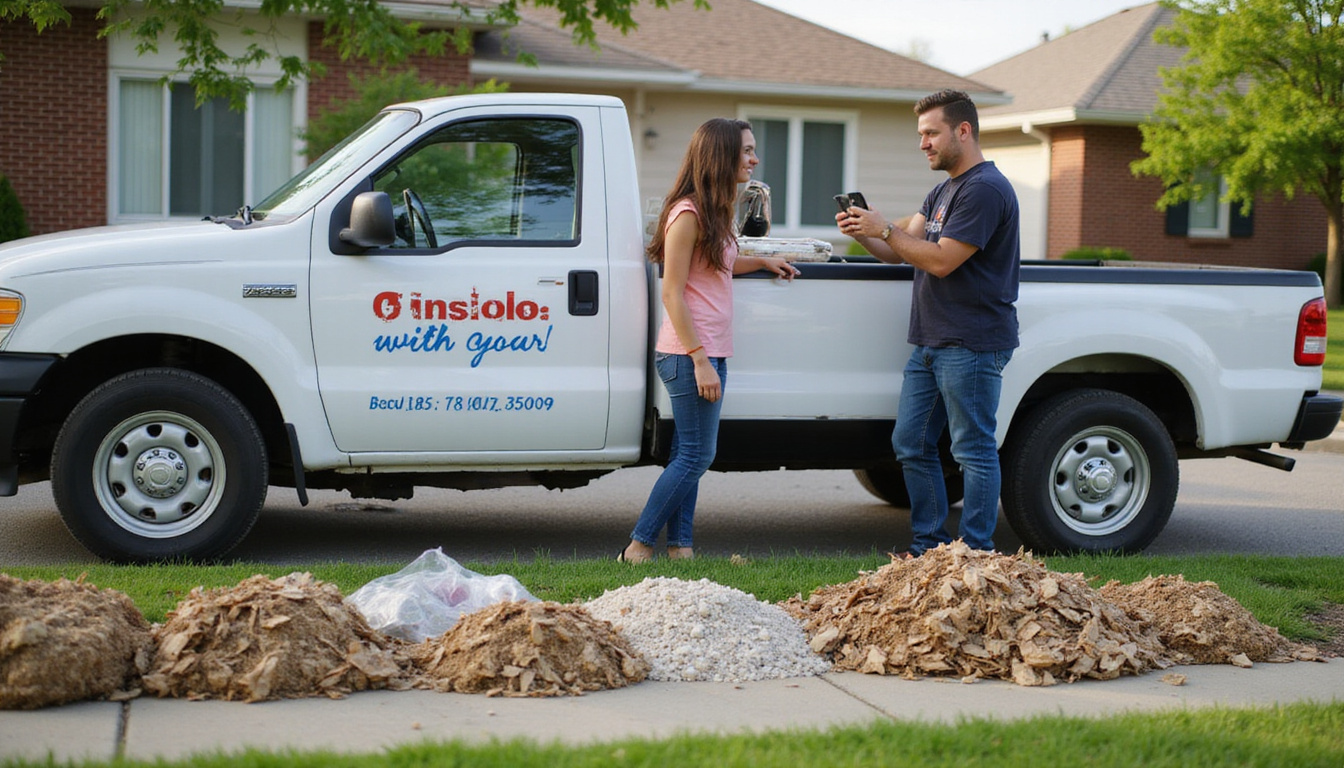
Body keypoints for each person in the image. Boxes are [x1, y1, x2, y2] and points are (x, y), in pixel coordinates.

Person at [837, 89, 1020, 557]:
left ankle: (976, 553)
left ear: (963, 130)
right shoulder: (942, 190)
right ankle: (931, 549)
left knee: (973, 449)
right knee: (911, 443)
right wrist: (865, 230)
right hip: (931, 342)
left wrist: (885, 229)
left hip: (971, 342)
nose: (923, 143)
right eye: (921, 134)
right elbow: (898, 250)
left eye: (931, 132)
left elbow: (940, 261)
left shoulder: (984, 189)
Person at [620, 118, 800, 563]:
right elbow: (672, 291)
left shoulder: (715, 211)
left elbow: (721, 264)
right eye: (747, 151)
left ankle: (682, 548)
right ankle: (638, 545)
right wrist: (699, 359)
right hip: (688, 354)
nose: (754, 159)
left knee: (688, 453)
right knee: (698, 456)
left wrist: (762, 262)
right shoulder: (687, 214)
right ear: (721, 155)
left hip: (708, 351)